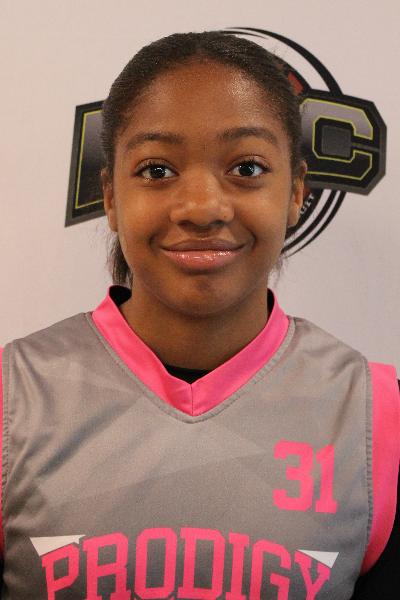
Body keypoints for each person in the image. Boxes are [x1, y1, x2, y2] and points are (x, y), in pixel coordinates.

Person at [0, 31, 398, 600]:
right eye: (157, 170)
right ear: (110, 196)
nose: (202, 208)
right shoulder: (13, 400)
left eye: (248, 167)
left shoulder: (373, 417)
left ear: (295, 192)